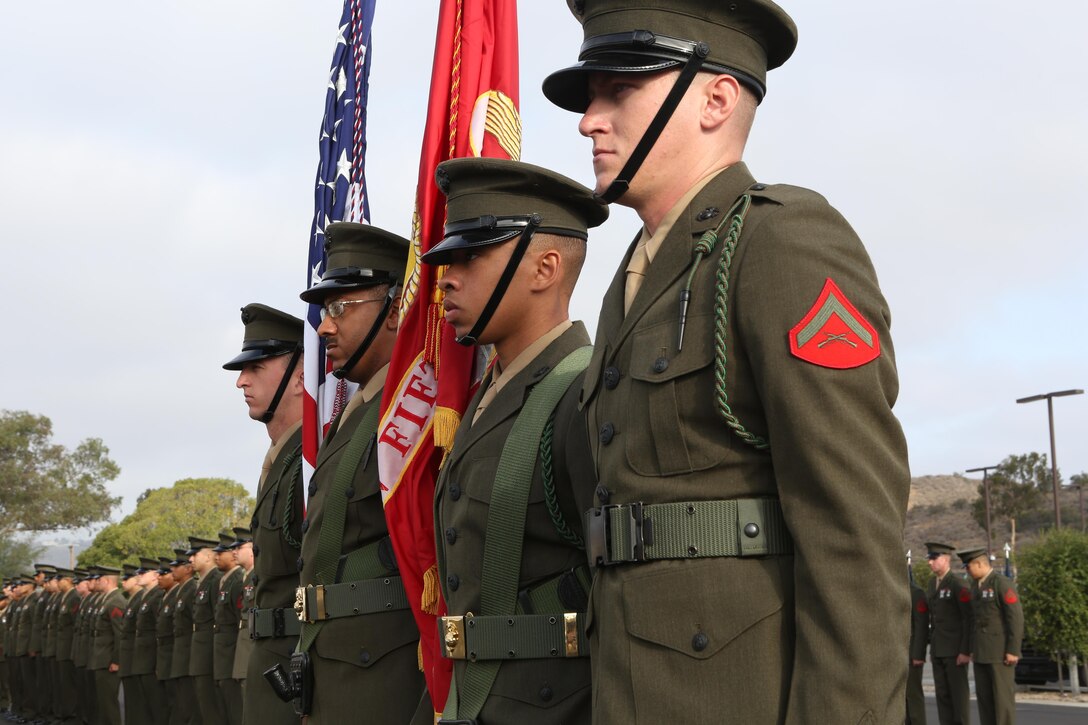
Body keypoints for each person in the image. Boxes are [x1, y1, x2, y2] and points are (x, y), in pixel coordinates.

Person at [542, 1, 912, 721]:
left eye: (619, 90)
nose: (589, 119)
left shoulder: (779, 244)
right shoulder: (637, 278)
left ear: (715, 99)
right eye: (591, 98)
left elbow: (853, 540)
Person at [422, 158, 607, 723]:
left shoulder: (585, 393)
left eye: (469, 257)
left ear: (545, 268)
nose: (445, 277)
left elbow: (623, 596)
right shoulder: (484, 398)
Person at [295, 222, 424, 723]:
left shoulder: (412, 410)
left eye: (339, 308)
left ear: (395, 310)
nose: (324, 326)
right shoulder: (358, 409)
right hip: (340, 672)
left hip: (385, 682)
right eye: (325, 311)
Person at [221, 302, 306, 725]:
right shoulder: (281, 457)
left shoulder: (311, 460)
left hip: (299, 662)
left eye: (257, 367)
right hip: (271, 657)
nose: (241, 381)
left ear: (301, 376)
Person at [958, 548, 1023, 725]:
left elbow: (1015, 618)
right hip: (981, 652)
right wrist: (970, 649)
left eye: (968, 566)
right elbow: (973, 620)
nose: (967, 571)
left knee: (1002, 701)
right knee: (985, 700)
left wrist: (1012, 650)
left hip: (999, 653)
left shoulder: (1001, 583)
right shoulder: (975, 586)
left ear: (980, 564)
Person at [926, 542, 973, 725]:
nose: (930, 562)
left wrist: (965, 650)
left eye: (934, 558)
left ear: (946, 559)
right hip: (939, 649)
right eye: (929, 558)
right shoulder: (932, 583)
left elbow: (967, 618)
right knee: (943, 696)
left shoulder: (957, 583)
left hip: (955, 651)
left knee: (958, 697)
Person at [189, 535, 226, 723]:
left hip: (209, 653)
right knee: (203, 705)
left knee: (212, 707)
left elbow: (216, 620)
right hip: (200, 653)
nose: (190, 559)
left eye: (194, 554)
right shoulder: (203, 581)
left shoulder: (215, 580)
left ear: (207, 556)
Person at [213, 530, 245, 725]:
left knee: (235, 709)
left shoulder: (236, 581)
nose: (218, 556)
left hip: (232, 653)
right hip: (223, 656)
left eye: (235, 548)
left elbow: (237, 622)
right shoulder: (225, 581)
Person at [89, 565, 126, 725]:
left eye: (99, 579)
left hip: (108, 660)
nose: (97, 582)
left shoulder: (115, 601)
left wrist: (116, 660)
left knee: (109, 703)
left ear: (106, 580)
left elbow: (120, 634)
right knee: (103, 703)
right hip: (102, 659)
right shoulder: (107, 600)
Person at [169, 547, 199, 725]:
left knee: (189, 704)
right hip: (180, 654)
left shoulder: (191, 589)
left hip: (188, 652)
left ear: (188, 569)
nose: (173, 569)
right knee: (181, 703)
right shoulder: (181, 590)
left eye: (177, 566)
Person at [908, 574, 929, 725]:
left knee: (913, 695)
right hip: (895, 654)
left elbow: (921, 627)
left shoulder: (916, 593)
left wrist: (918, 654)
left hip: (910, 653)